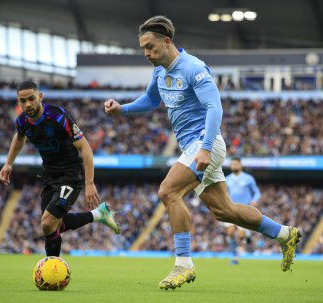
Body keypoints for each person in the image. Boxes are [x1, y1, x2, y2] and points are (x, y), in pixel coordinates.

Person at [104, 16, 301, 290]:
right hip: (192, 148)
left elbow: (214, 108)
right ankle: (283, 233)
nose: (146, 53)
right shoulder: (160, 71)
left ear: (167, 41)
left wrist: (206, 148)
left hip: (204, 143)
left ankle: (183, 265)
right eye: (143, 49)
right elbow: (151, 100)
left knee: (168, 192)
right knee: (224, 211)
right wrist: (122, 109)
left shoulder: (193, 68)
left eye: (150, 47)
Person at [0, 81, 119, 257]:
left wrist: (89, 183)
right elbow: (19, 137)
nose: (27, 104)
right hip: (49, 175)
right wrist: (8, 162)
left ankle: (52, 268)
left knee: (48, 223)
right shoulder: (22, 121)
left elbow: (85, 148)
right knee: (51, 226)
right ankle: (98, 214)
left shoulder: (58, 116)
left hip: (71, 174)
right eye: (22, 101)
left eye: (31, 99)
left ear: (40, 97)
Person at [225, 157, 261, 264]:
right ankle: (235, 256)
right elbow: (224, 194)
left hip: (244, 210)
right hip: (231, 209)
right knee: (230, 233)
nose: (234, 166)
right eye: (232, 164)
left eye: (236, 164)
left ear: (240, 165)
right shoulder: (227, 179)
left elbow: (257, 192)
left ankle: (246, 237)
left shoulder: (248, 178)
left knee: (241, 236)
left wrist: (254, 200)